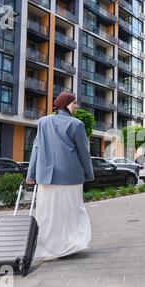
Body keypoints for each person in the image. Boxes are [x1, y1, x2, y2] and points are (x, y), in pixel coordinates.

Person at [26, 92, 94, 260]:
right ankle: (71, 244)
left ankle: (50, 248)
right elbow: (83, 153)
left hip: (46, 178)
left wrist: (31, 174)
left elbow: (36, 148)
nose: (77, 106)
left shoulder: (42, 122)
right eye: (75, 103)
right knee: (73, 212)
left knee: (48, 214)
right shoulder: (77, 124)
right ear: (66, 104)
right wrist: (89, 174)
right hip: (70, 177)